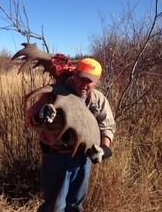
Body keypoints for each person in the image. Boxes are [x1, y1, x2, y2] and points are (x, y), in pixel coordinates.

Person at [26, 58, 116, 212]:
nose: (85, 84)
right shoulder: (55, 92)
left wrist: (104, 149)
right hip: (56, 157)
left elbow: (107, 125)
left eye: (90, 81)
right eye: (82, 78)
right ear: (74, 73)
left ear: (97, 81)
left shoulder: (97, 99)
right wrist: (41, 116)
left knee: (75, 206)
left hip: (83, 159)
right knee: (55, 207)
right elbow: (31, 120)